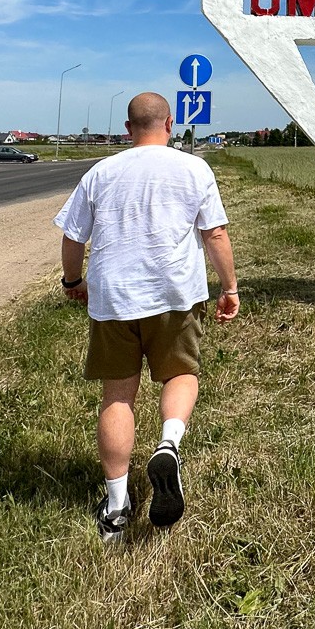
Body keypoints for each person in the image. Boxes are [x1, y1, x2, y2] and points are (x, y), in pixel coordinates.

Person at [54, 91, 239, 538]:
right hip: (175, 294)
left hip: (114, 298)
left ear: (127, 128)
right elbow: (214, 234)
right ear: (170, 124)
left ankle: (116, 508)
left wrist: (73, 281)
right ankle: (169, 444)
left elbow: (73, 237)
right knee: (180, 373)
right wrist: (229, 287)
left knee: (117, 395)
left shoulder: (101, 171)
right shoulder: (194, 168)